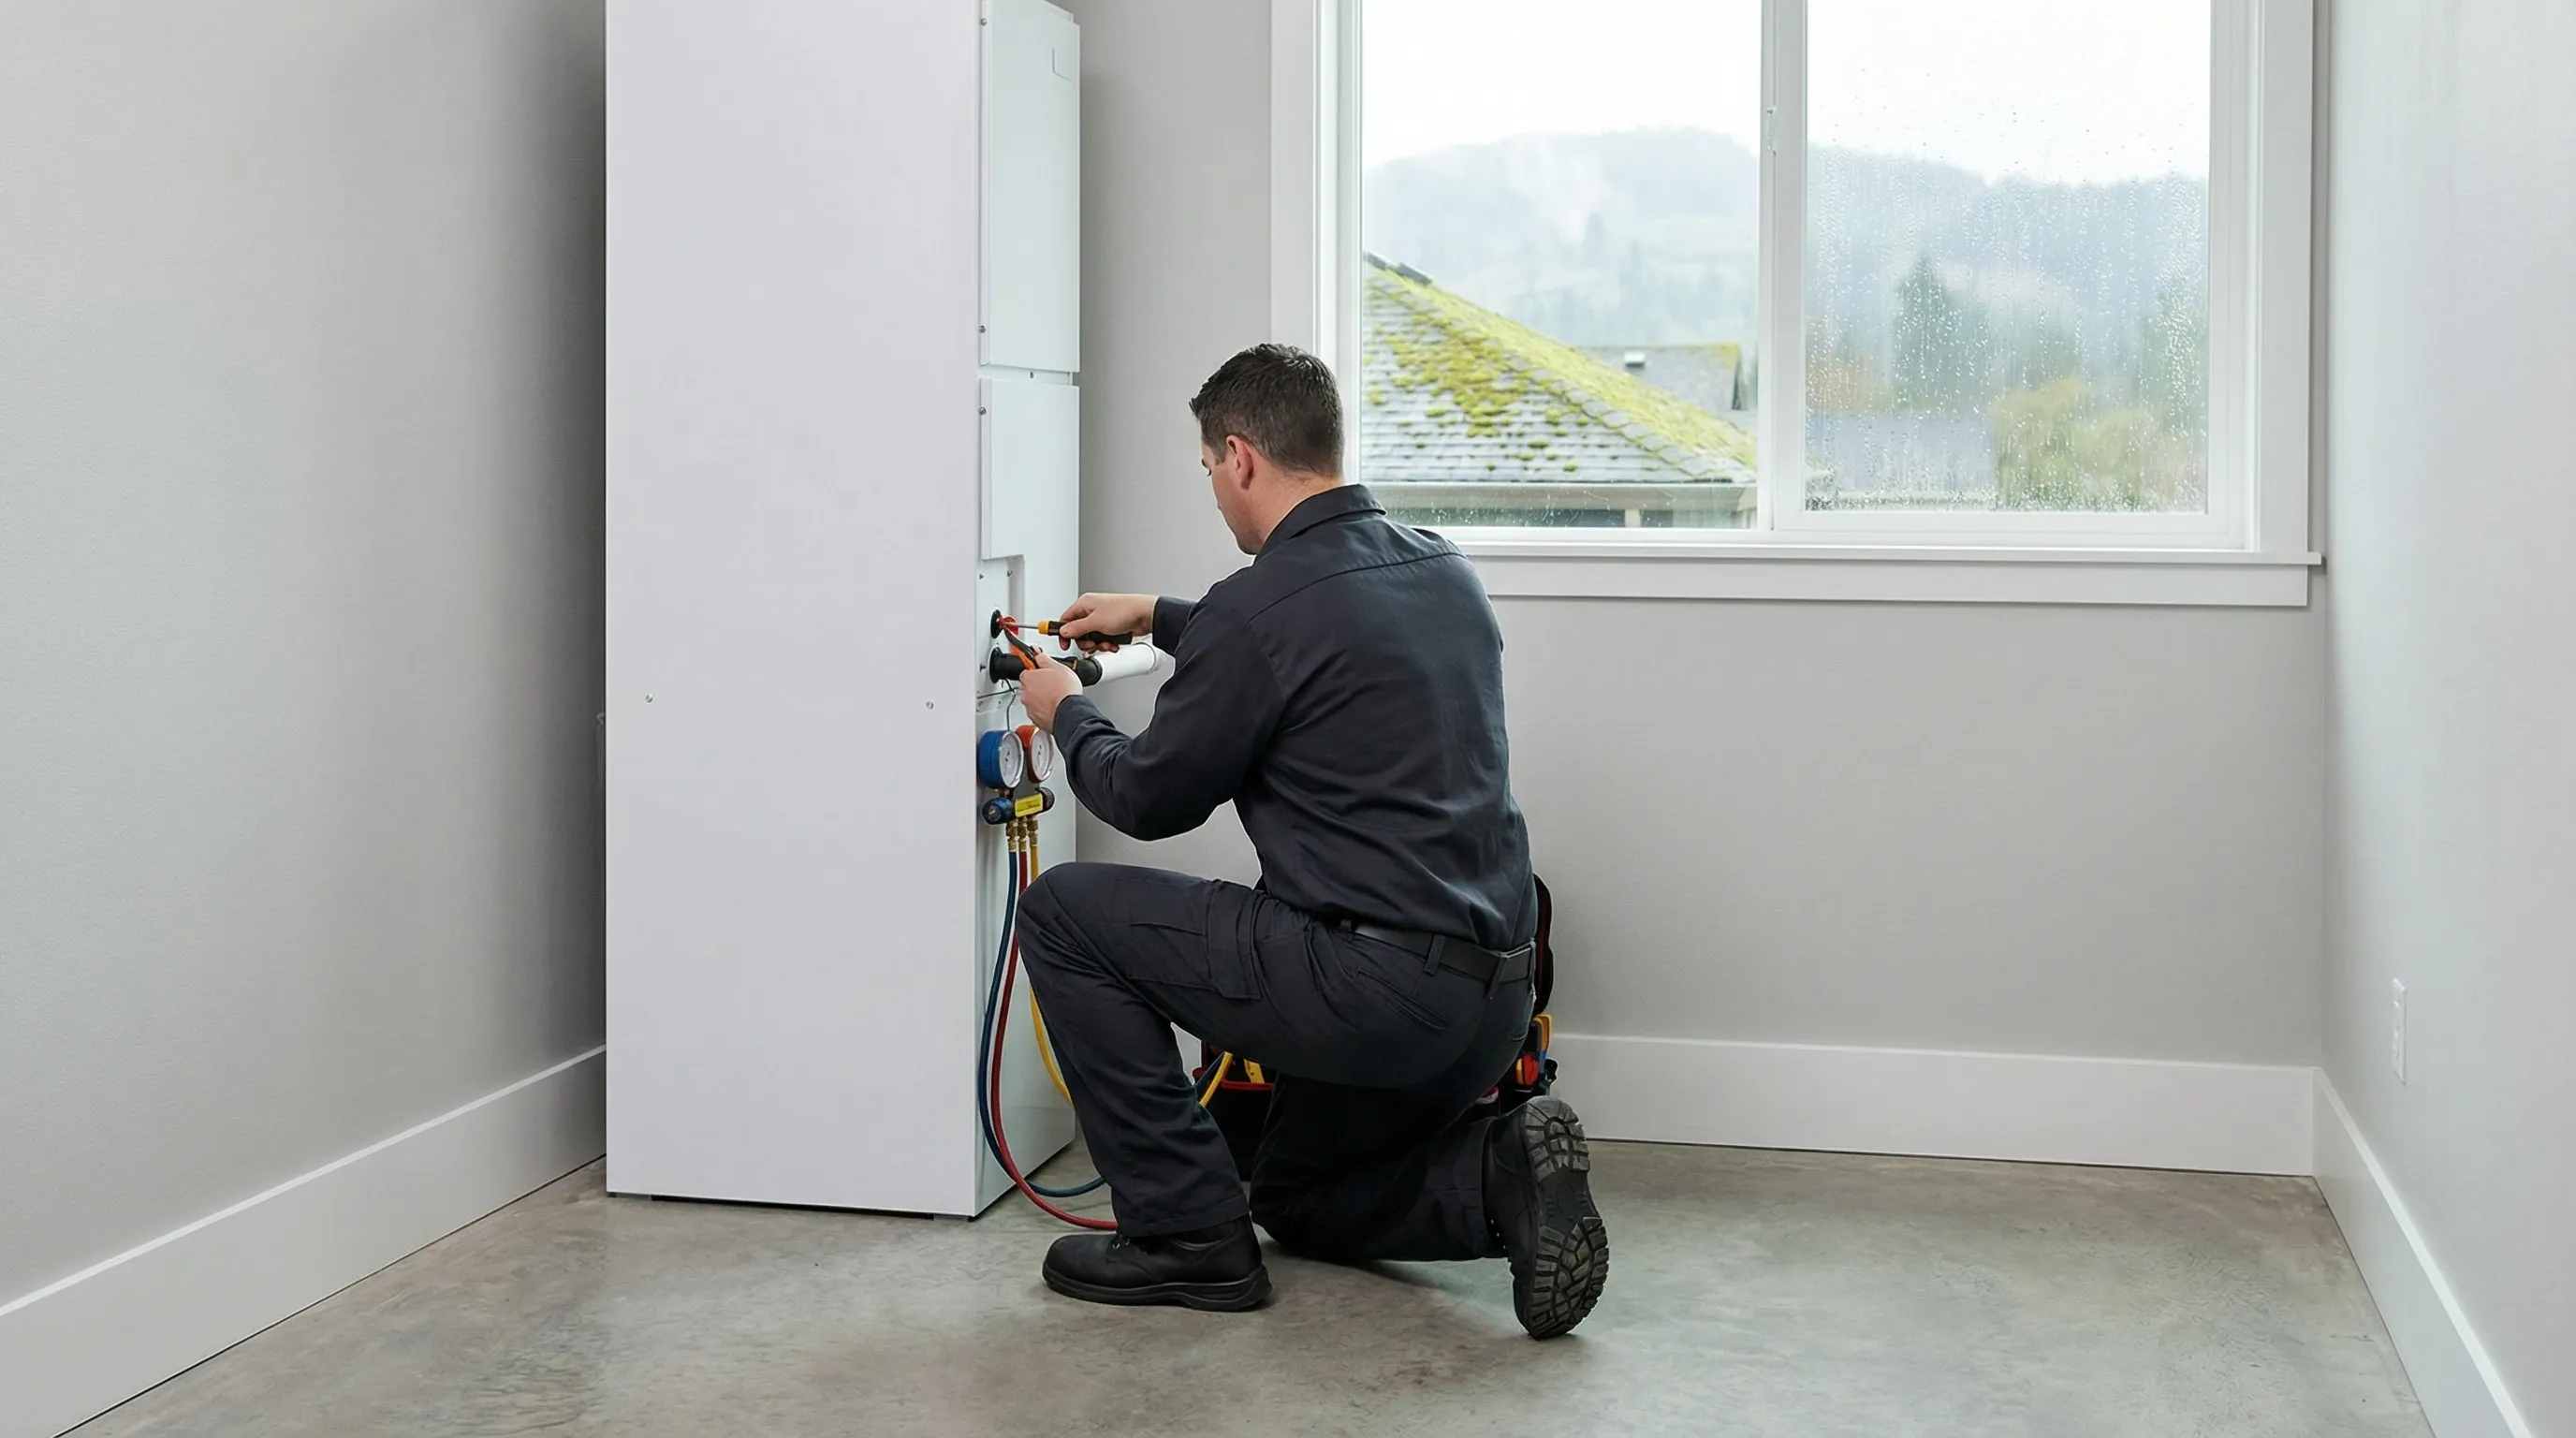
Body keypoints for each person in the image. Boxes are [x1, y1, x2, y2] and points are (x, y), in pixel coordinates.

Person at [1010, 343, 1609, 1340]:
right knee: (1293, 1192)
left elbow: (1144, 796)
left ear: (1240, 457)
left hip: (1375, 998)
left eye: (1210, 468)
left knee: (1064, 910)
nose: (1214, 489)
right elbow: (1316, 634)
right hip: (1487, 1008)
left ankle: (1183, 1237)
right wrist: (1161, 616)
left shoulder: (1259, 609)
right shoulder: (1439, 567)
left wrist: (1065, 709)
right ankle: (1494, 1175)